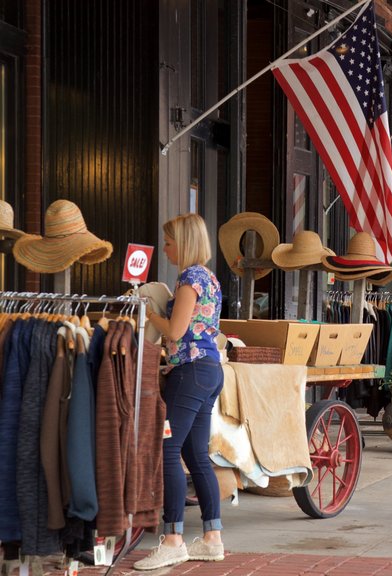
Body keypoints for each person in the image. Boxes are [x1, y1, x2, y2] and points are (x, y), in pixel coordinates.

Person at [135, 214, 225, 571]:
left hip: (189, 374)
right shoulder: (210, 278)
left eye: (169, 242)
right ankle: (211, 538)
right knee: (196, 454)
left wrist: (147, 310)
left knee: (167, 448)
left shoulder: (190, 280)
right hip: (208, 371)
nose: (166, 248)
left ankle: (173, 539)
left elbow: (174, 330)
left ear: (184, 242)